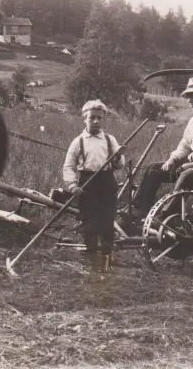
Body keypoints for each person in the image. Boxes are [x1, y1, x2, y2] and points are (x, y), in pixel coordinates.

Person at [131, 76, 193, 219]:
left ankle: (166, 216)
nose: (188, 100)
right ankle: (140, 211)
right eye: (188, 96)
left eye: (192, 96)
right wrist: (173, 159)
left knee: (186, 175)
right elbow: (185, 144)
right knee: (153, 169)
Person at [62, 99, 125, 273]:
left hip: (107, 184)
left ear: (104, 119)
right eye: (92, 118)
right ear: (84, 118)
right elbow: (68, 166)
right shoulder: (78, 142)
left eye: (99, 118)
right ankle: (91, 261)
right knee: (89, 222)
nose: (96, 121)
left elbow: (120, 165)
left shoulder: (110, 140)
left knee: (107, 223)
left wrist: (119, 157)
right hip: (87, 184)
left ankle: (106, 262)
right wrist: (72, 185)